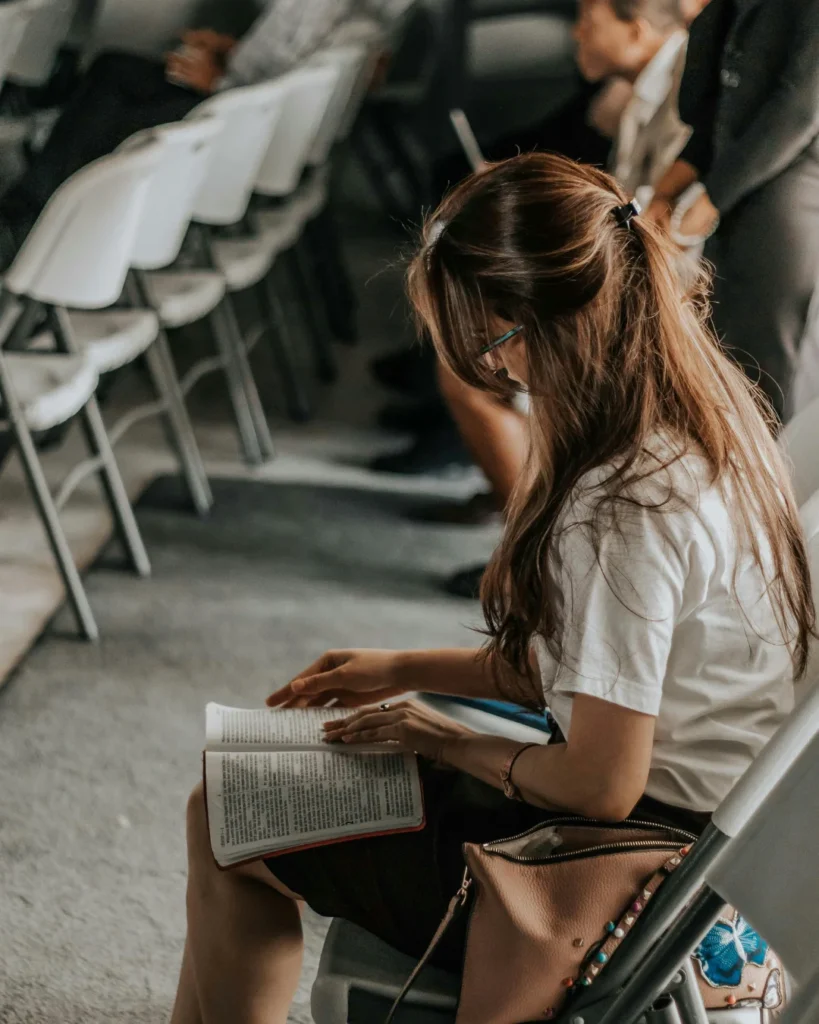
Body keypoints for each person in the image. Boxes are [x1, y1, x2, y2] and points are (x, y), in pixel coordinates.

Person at [173, 153, 811, 1023]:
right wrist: (407, 667)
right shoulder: (709, 411)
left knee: (225, 811)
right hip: (696, 841)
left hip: (616, 859)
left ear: (539, 324)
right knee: (244, 790)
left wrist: (444, 740)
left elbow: (598, 784)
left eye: (490, 346)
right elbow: (608, 676)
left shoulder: (621, 504)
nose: (498, 375)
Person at [374, 0, 699, 487]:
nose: (576, 35)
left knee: (469, 371)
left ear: (635, 33)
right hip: (610, 278)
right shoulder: (636, 90)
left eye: (589, 22)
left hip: (632, 301)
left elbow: (645, 228)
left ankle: (523, 538)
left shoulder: (679, 102)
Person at [0, 0, 399, 258]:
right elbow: (284, 58)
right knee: (114, 68)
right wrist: (227, 52)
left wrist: (218, 82)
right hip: (238, 96)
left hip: (236, 121)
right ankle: (34, 200)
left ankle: (31, 217)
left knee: (105, 124)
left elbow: (283, 88)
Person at [647, 0, 819, 421]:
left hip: (782, 198)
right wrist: (663, 196)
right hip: (730, 195)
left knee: (763, 385)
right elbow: (706, 112)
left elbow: (798, 108)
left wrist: (712, 198)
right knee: (720, 376)